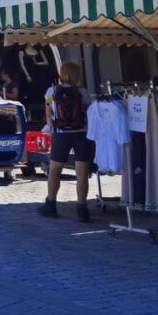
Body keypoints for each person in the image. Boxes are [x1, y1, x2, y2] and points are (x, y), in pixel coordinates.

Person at [40, 61, 95, 222]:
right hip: (81, 135)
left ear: (62, 74)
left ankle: (51, 205)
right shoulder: (83, 92)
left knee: (55, 170)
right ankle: (82, 209)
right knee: (82, 173)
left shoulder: (52, 91)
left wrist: (53, 122)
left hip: (61, 134)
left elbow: (49, 115)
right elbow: (87, 111)